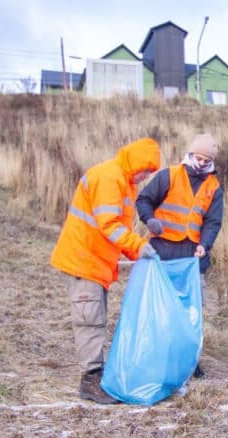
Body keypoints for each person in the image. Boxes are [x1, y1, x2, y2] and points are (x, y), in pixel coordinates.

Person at [50, 137, 161, 404]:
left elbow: (118, 230)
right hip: (84, 259)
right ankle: (90, 380)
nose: (146, 177)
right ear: (135, 163)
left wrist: (137, 251)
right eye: (145, 170)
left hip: (95, 261)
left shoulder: (123, 182)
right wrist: (138, 246)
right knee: (90, 319)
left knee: (95, 316)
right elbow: (109, 225)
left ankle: (96, 376)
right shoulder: (110, 178)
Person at [135, 133, 224, 379]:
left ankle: (189, 360)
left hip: (193, 257)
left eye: (207, 159)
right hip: (162, 251)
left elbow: (213, 222)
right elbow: (143, 200)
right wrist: (150, 220)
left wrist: (205, 245)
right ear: (190, 154)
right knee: (159, 306)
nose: (202, 162)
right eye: (199, 157)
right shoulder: (169, 175)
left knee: (191, 310)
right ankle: (156, 355)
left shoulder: (214, 187)